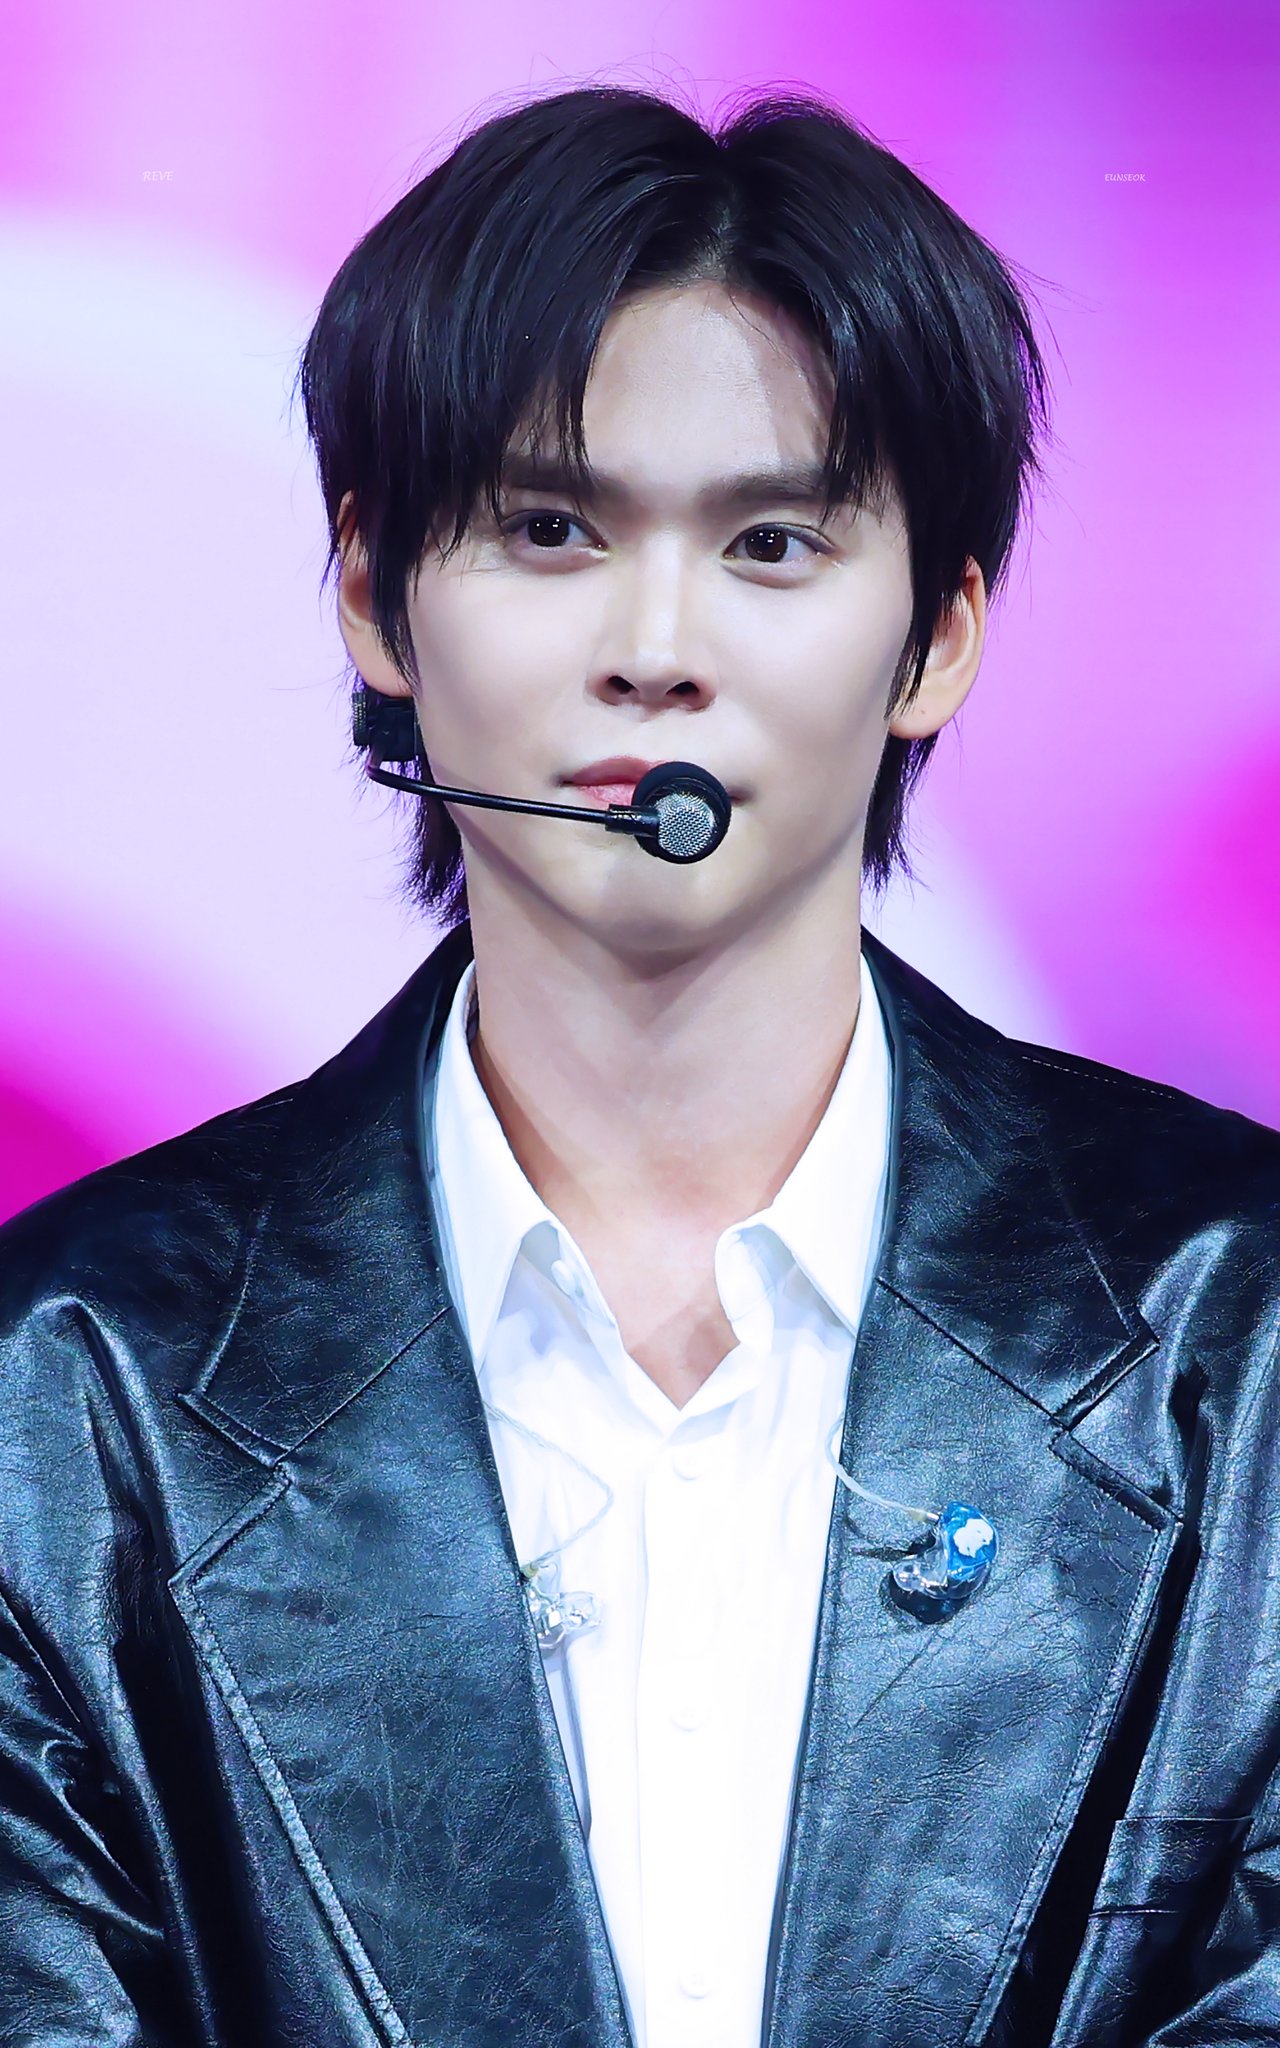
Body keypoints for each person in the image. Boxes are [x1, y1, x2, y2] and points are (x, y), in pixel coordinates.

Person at [1, 80, 1278, 2048]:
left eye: (770, 542)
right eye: (549, 530)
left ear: (939, 635)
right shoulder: (61, 1392)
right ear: (373, 595)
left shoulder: (1243, 1339)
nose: (656, 646)